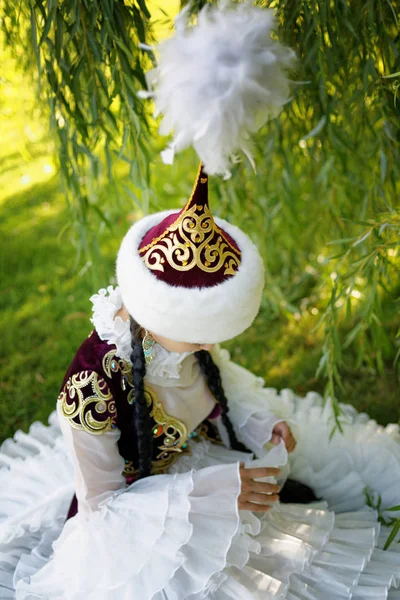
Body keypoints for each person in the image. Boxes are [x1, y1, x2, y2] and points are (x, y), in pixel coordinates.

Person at [1, 163, 399, 600]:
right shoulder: (90, 390)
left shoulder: (185, 342)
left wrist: (261, 424)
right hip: (143, 516)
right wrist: (211, 493)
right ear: (161, 315)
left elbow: (223, 383)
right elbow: (103, 511)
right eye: (200, 335)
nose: (209, 345)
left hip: (195, 463)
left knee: (289, 554)